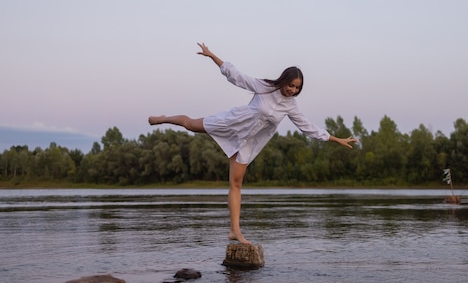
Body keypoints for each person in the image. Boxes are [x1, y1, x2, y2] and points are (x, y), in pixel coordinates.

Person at [149, 42, 357, 244]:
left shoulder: (291, 106)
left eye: (297, 88)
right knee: (190, 124)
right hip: (233, 123)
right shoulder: (265, 87)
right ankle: (163, 118)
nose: (292, 90)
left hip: (248, 142)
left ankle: (234, 231)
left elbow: (307, 126)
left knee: (236, 184)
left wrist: (335, 139)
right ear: (283, 80)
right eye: (291, 85)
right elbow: (237, 77)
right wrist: (212, 56)